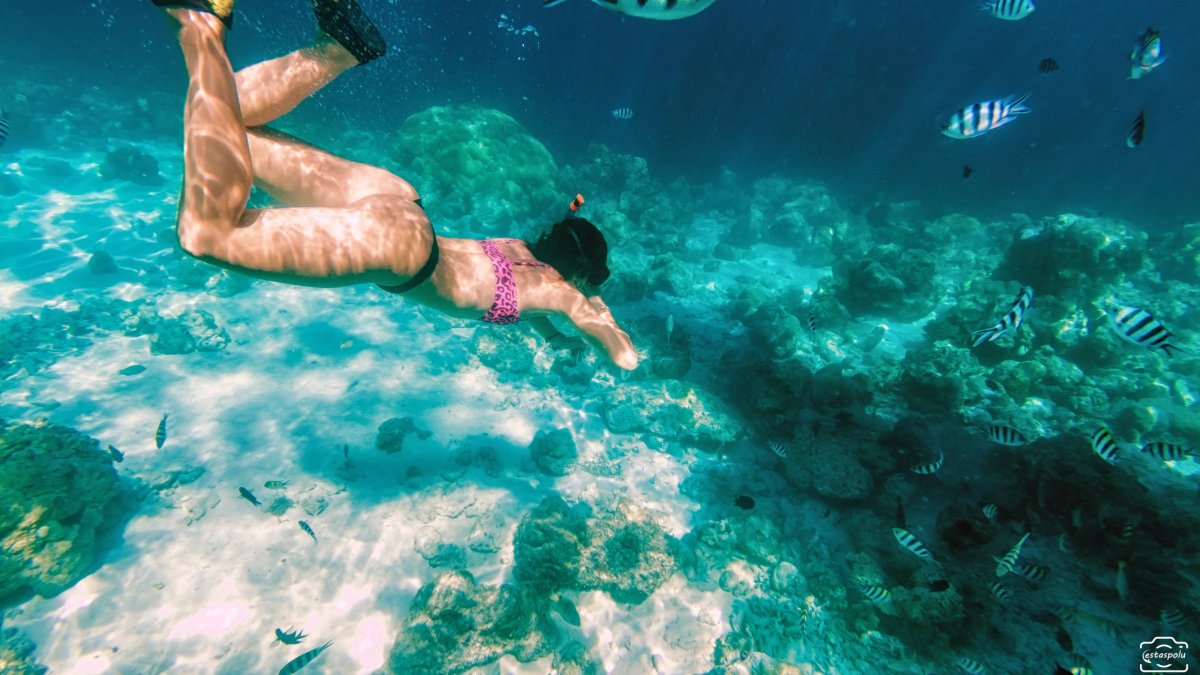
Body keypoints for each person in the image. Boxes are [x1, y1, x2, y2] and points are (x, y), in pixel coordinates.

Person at [150, 0, 639, 370]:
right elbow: (624, 357)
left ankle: (332, 54)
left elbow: (537, 306)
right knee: (205, 233)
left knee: (228, 124)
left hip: (398, 200)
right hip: (401, 252)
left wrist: (557, 336)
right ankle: (201, 24)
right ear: (580, 274)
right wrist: (602, 322)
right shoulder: (563, 294)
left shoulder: (525, 253)